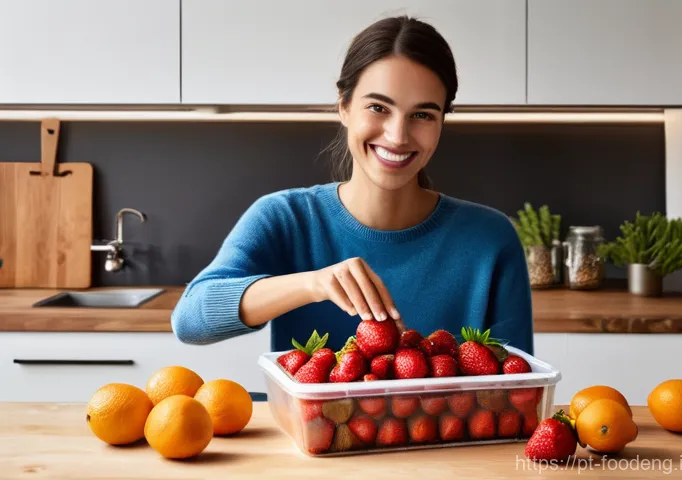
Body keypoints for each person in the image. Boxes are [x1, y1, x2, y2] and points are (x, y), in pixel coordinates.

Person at [170, 15, 534, 355]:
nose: (397, 135)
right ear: (344, 106)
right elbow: (190, 320)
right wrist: (313, 284)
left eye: (422, 115)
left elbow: (516, 391)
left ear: (442, 122)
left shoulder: (491, 238)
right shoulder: (284, 218)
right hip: (306, 426)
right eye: (378, 107)